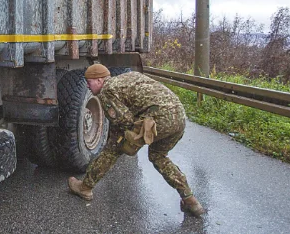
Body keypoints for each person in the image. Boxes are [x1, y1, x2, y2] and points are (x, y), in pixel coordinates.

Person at [67, 64, 206, 217]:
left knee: (112, 150)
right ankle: (190, 200)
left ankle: (85, 187)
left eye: (89, 81)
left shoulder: (107, 90)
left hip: (158, 120)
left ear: (100, 80)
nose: (87, 85)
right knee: (158, 156)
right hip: (179, 117)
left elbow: (124, 120)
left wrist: (119, 141)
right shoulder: (127, 78)